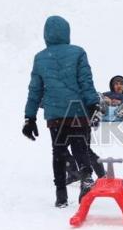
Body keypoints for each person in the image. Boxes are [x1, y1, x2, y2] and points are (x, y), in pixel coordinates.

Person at [23, 15, 102, 208]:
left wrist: (29, 118)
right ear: (67, 32)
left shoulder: (40, 58)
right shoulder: (78, 53)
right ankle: (86, 177)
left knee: (58, 152)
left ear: (46, 34)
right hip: (78, 112)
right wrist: (93, 105)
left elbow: (35, 90)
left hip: (56, 115)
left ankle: (61, 196)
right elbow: (86, 82)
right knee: (80, 147)